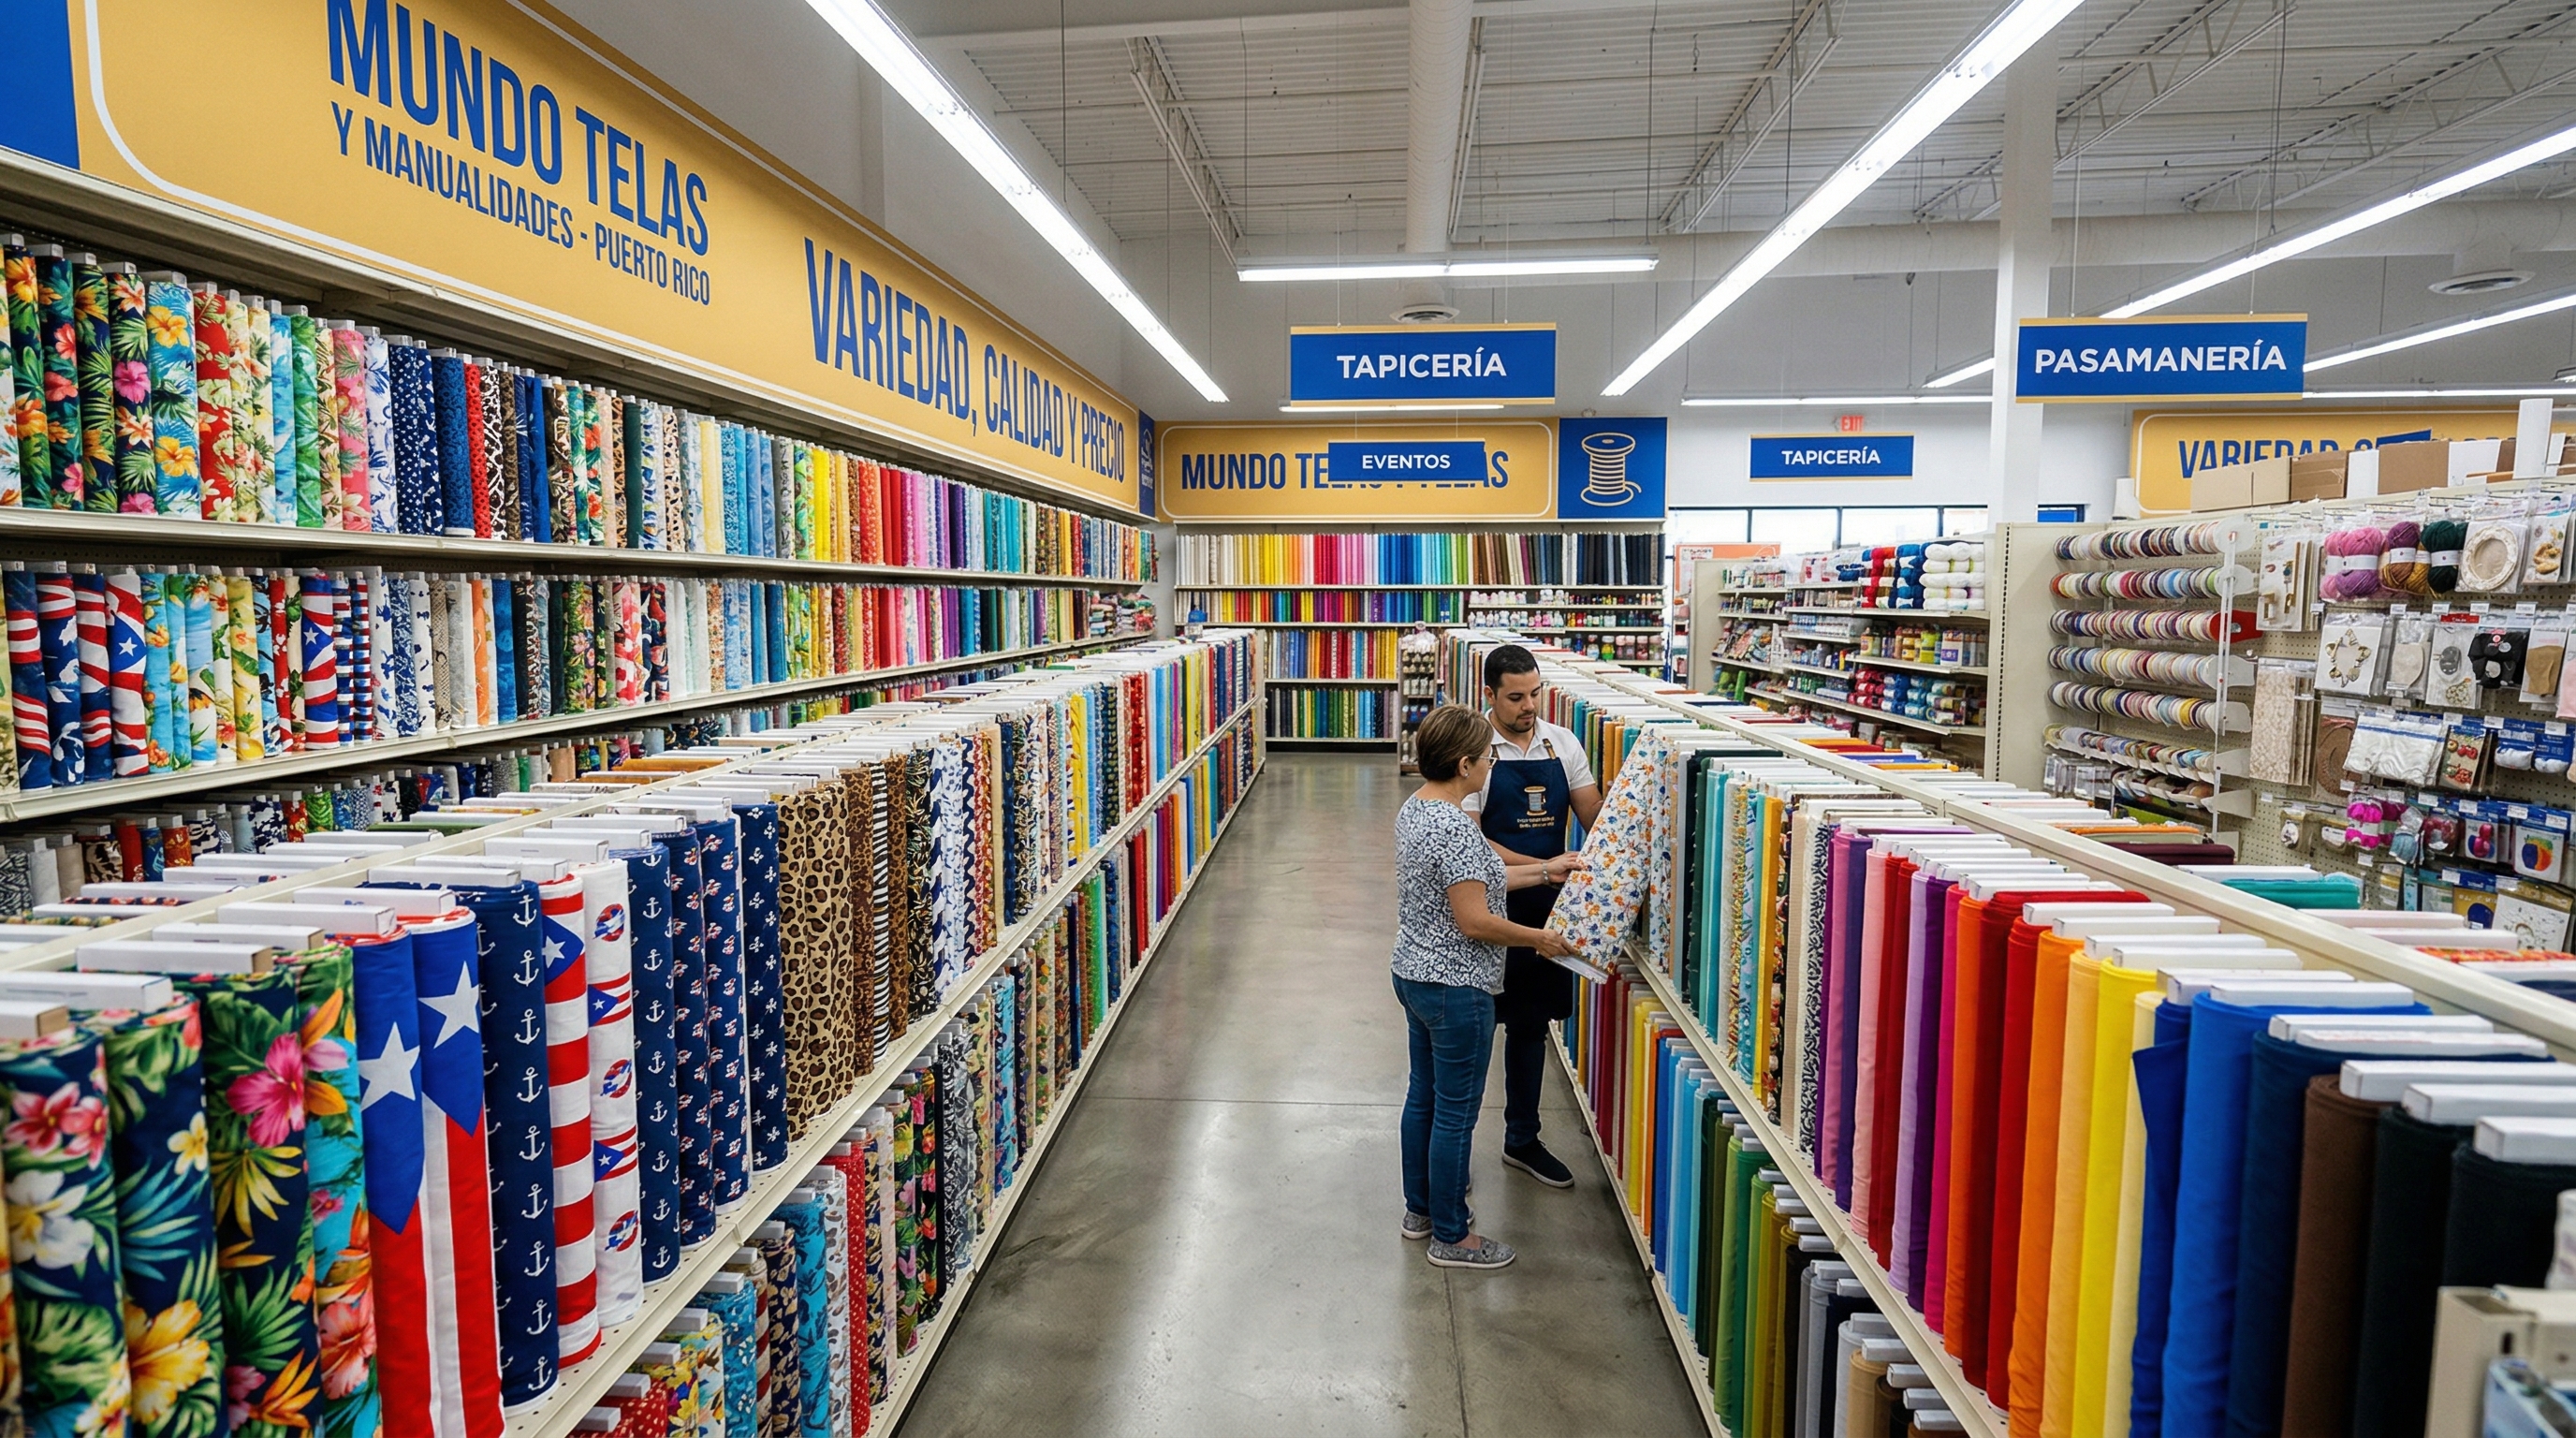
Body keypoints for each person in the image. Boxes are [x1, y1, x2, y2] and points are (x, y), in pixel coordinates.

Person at [1394, 704, 1577, 1269]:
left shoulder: (1418, 808)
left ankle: (1420, 1210)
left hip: (1414, 973)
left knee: (1423, 1096)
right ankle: (1452, 1236)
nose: (1492, 763)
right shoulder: (1454, 827)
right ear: (1467, 762)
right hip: (1457, 986)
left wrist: (1548, 870)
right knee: (1455, 1113)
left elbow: (1479, 874)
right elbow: (1475, 920)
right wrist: (1539, 939)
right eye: (1487, 756)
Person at [1461, 643, 1600, 1191]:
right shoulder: (1475, 752)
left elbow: (1592, 814)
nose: (1528, 706)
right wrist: (1544, 866)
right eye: (1516, 697)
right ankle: (1456, 1151)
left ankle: (1522, 1138)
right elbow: (1471, 842)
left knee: (1528, 1026)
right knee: (1472, 1030)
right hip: (1489, 905)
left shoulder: (1562, 743)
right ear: (1489, 695)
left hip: (1546, 910)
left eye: (1535, 693)